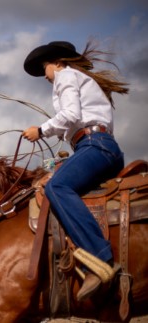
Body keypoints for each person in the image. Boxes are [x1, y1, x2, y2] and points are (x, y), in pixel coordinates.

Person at [21, 40, 129, 301]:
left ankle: (98, 259)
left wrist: (41, 130)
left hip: (94, 145)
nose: (45, 75)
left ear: (58, 63)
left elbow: (70, 114)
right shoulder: (77, 78)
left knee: (57, 186)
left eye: (45, 67)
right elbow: (74, 120)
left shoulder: (66, 75)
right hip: (94, 146)